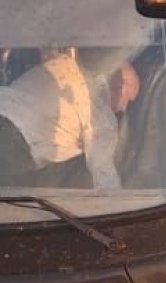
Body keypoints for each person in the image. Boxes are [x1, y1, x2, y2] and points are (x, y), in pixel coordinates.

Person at [0, 50, 140, 189]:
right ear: (120, 87)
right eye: (128, 100)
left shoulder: (65, 63)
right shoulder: (101, 115)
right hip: (16, 144)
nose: (123, 109)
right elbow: (103, 171)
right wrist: (118, 204)